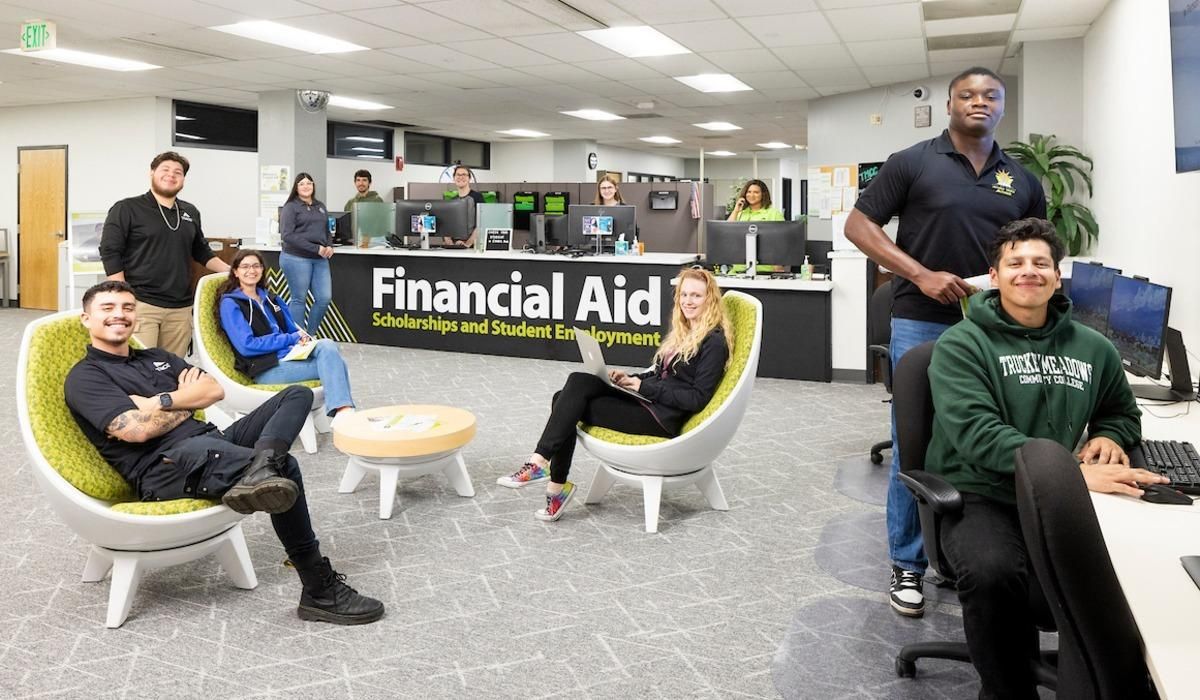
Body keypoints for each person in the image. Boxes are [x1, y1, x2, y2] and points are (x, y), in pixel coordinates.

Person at [844, 66, 1047, 618]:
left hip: (996, 325)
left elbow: (1035, 250)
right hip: (922, 319)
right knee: (916, 439)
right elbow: (859, 227)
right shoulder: (913, 162)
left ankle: (968, 557)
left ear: (1003, 105)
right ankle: (907, 563)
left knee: (992, 436)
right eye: (968, 94)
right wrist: (921, 273)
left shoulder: (1022, 179)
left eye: (991, 95)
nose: (979, 102)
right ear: (949, 103)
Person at [64, 280, 384, 625]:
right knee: (286, 467)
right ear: (87, 319)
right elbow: (136, 429)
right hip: (165, 467)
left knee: (296, 396)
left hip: (211, 441)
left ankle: (262, 466)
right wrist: (187, 399)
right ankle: (319, 590)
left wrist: (162, 402)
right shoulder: (86, 377)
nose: (119, 315)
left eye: (127, 307)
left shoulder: (156, 357)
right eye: (107, 309)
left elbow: (213, 390)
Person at [926, 218, 1151, 698]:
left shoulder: (1094, 348)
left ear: (1056, 275)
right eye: (1016, 263)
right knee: (993, 574)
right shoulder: (962, 346)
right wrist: (1073, 474)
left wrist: (1109, 436)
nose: (1029, 272)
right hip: (982, 493)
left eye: (1040, 263)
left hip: (1058, 497)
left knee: (1133, 566)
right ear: (995, 274)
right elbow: (977, 436)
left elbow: (1122, 412)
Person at [496, 267, 732, 521]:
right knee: (576, 384)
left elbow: (697, 398)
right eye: (684, 295)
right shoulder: (684, 332)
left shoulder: (713, 342)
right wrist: (632, 379)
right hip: (648, 400)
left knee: (562, 401)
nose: (688, 301)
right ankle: (549, 478)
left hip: (661, 418)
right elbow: (664, 375)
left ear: (710, 299)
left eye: (696, 295)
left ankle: (546, 473)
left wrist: (643, 387)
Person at [100, 151, 230, 357]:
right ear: (152, 173)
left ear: (183, 180)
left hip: (181, 306)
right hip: (142, 303)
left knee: (172, 367)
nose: (171, 175)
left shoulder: (190, 211)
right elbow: (110, 251)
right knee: (139, 367)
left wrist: (233, 272)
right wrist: (122, 295)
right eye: (165, 170)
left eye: (178, 172)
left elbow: (202, 251)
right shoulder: (126, 208)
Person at [217, 249, 355, 420]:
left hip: (290, 356)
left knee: (327, 345)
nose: (251, 271)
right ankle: (344, 413)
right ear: (236, 272)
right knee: (336, 364)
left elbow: (293, 330)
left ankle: (342, 412)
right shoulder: (231, 304)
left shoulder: (271, 299)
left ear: (262, 270)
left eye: (256, 266)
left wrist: (302, 338)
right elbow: (247, 346)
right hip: (266, 368)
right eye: (245, 267)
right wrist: (290, 339)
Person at [279, 173, 334, 336]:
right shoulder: (291, 207)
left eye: (309, 183)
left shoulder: (320, 206)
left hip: (319, 259)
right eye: (302, 184)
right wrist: (315, 248)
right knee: (299, 299)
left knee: (324, 298)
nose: (306, 186)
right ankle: (298, 337)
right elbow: (287, 235)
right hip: (296, 258)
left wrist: (329, 245)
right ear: (296, 187)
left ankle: (310, 334)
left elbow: (326, 231)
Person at [447, 164, 484, 248]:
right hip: (454, 246)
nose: (461, 177)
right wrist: (449, 241)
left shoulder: (477, 197)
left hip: (472, 246)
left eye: (464, 174)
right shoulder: (452, 200)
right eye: (458, 175)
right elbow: (447, 224)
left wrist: (467, 244)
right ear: (454, 178)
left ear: (469, 178)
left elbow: (481, 223)